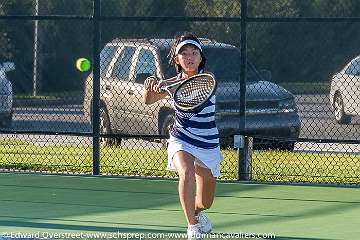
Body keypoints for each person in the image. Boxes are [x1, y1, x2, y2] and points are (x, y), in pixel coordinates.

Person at [143, 32, 223, 240]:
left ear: (200, 57)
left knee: (206, 201)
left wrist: (168, 85)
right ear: (177, 59)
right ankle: (192, 227)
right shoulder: (172, 83)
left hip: (207, 143)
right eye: (184, 53)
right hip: (182, 137)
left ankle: (197, 212)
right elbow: (149, 100)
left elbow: (191, 91)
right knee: (186, 173)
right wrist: (151, 85)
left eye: (194, 53)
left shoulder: (208, 79)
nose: (189, 57)